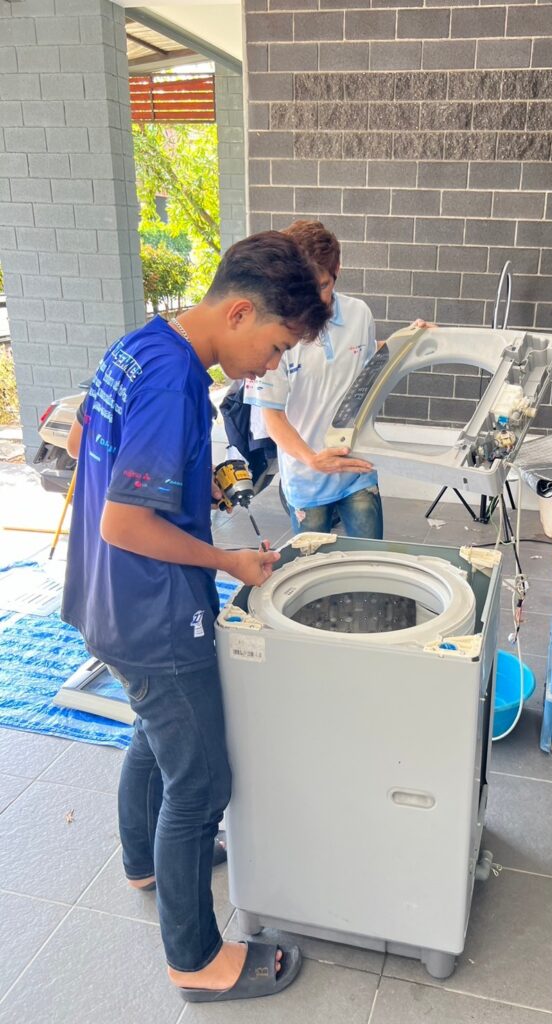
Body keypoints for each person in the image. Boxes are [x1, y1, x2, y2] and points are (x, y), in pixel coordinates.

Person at [61, 231, 329, 1003]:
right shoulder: (176, 383)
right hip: (153, 615)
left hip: (103, 599)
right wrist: (227, 561)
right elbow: (123, 522)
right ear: (240, 312)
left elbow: (82, 440)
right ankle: (196, 961)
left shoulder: (138, 346)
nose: (271, 367)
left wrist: (186, 484)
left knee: (153, 734)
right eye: (276, 347)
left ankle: (143, 862)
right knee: (202, 781)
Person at [245, 220, 383, 538]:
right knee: (313, 563)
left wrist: (413, 340)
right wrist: (312, 459)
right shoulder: (277, 329)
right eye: (304, 287)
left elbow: (368, 357)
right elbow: (271, 417)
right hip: (306, 475)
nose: (312, 299)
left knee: (371, 558)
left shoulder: (360, 314)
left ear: (337, 271)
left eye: (321, 286)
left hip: (356, 468)